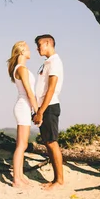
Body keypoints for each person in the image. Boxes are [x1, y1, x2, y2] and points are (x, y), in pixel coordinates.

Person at [33, 34, 64, 190]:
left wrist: (41, 111)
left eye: (39, 44)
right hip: (44, 107)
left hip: (50, 107)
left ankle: (59, 181)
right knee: (48, 143)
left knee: (52, 143)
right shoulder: (47, 63)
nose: (37, 48)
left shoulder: (55, 62)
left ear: (48, 43)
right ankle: (55, 179)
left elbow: (51, 89)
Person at [7, 41, 39, 188]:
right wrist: (38, 110)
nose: (30, 51)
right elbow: (29, 92)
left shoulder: (20, 68)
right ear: (21, 52)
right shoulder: (22, 69)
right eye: (27, 49)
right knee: (21, 145)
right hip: (23, 107)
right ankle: (16, 179)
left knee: (23, 144)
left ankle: (19, 176)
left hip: (24, 107)